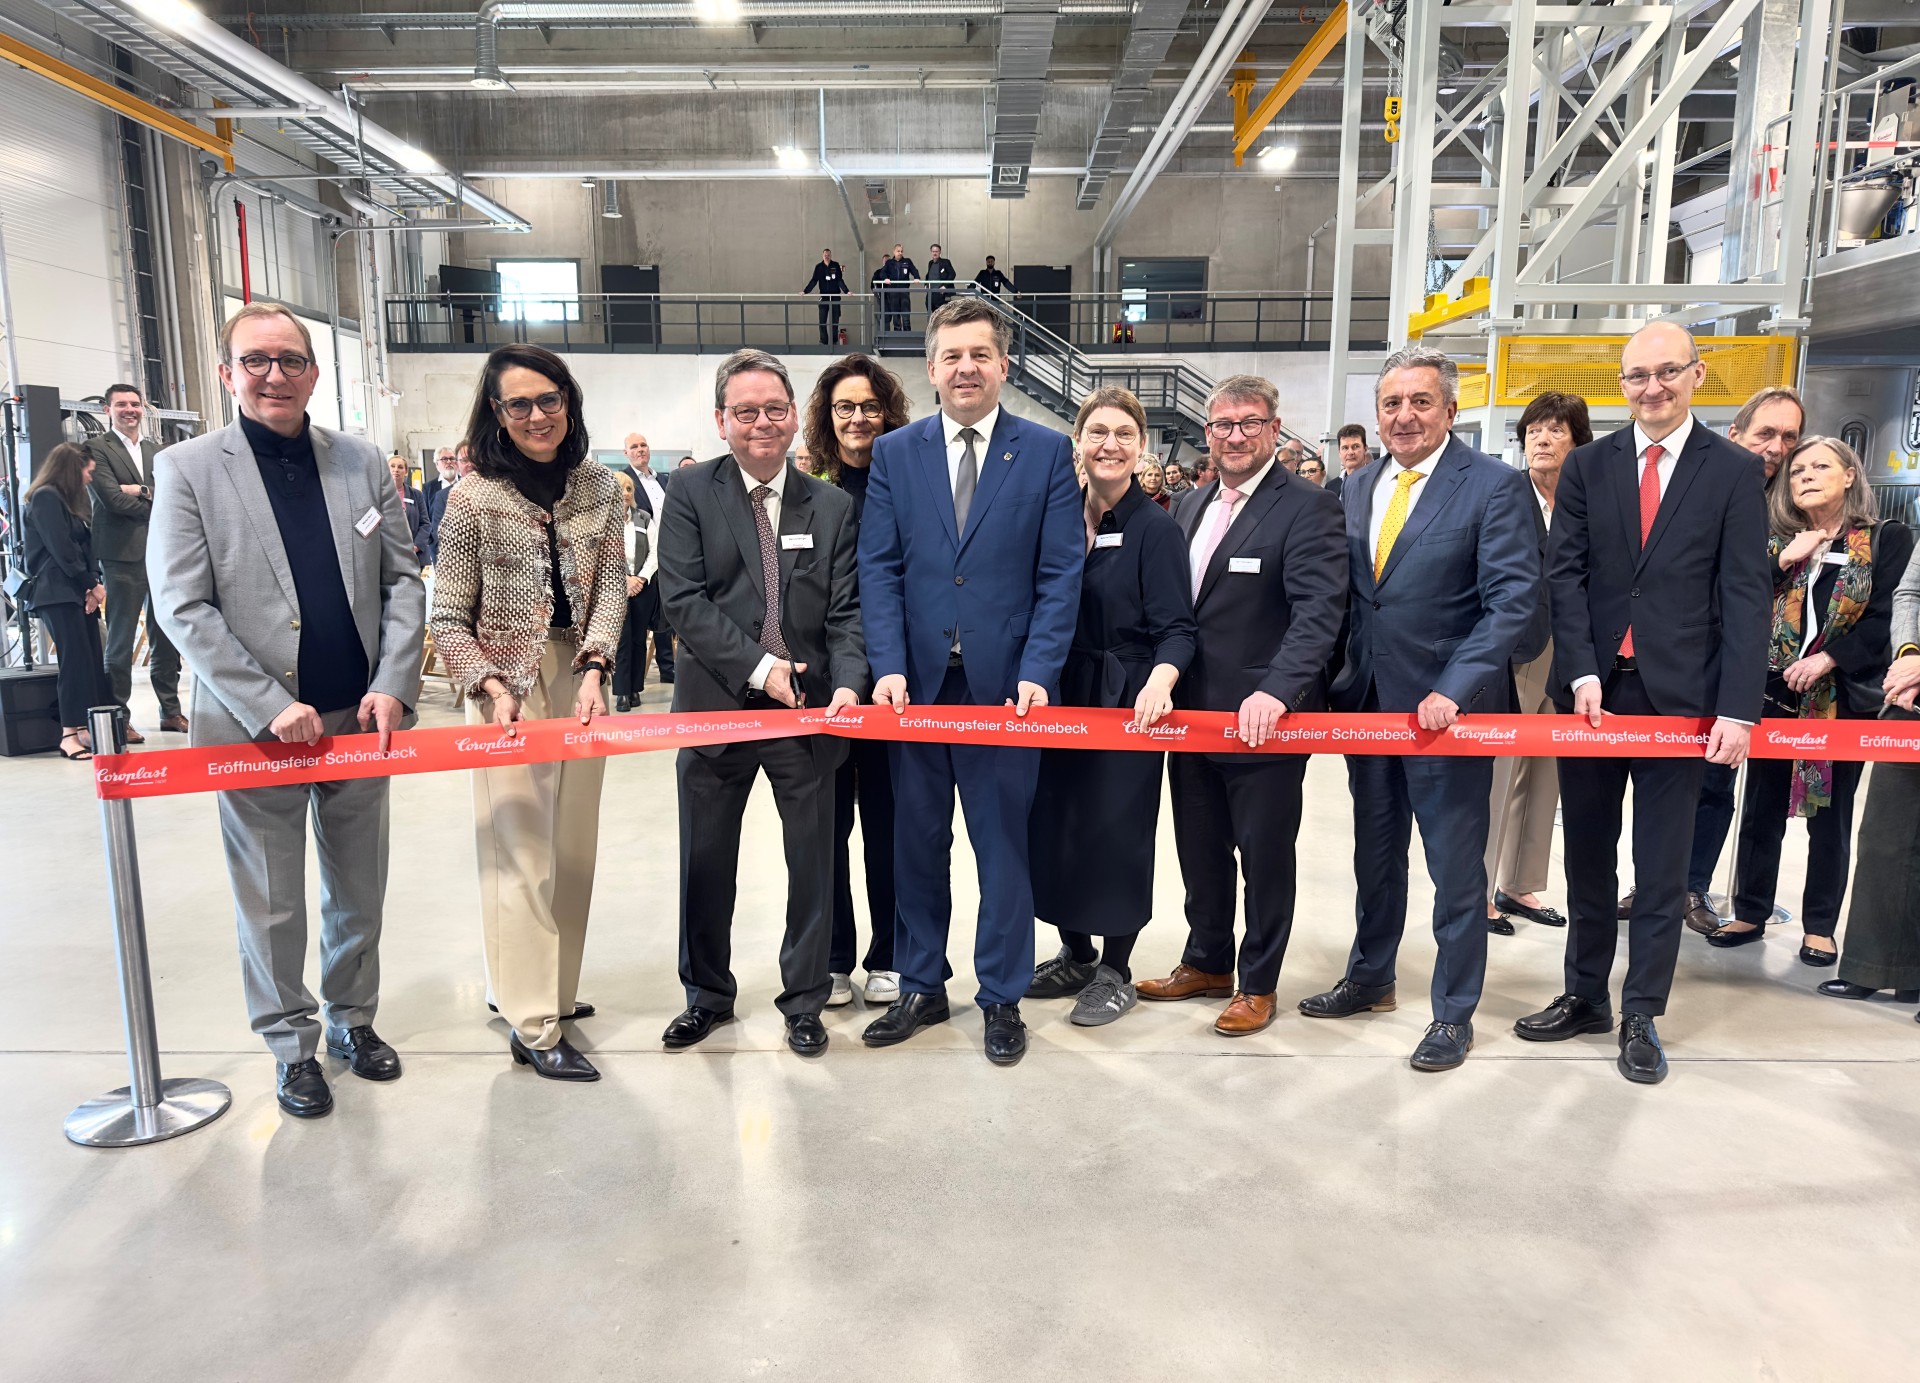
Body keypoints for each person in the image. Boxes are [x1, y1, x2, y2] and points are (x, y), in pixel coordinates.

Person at [147, 301, 424, 1119]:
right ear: (229, 372)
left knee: (358, 888)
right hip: (255, 732)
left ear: (314, 371)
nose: (276, 374)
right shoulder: (190, 468)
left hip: (359, 720)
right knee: (271, 898)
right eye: (257, 360)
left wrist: (395, 682)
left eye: (291, 359)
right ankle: (290, 1045)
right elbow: (182, 605)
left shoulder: (363, 462)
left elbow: (404, 579)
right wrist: (268, 703)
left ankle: (352, 1021)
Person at [1515, 321, 1769, 1085]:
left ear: (1697, 374)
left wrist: (1737, 708)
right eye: (1635, 376)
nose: (1651, 388)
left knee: (1659, 869)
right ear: (1620, 384)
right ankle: (1586, 993)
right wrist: (1582, 671)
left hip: (1682, 699)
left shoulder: (1730, 471)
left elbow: (1745, 593)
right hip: (1595, 694)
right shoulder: (1590, 465)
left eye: (1666, 372)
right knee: (1586, 855)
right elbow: (1568, 575)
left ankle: (1641, 1012)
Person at [858, 296, 1082, 1065]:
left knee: (1001, 849)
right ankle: (921, 982)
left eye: (980, 354)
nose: (965, 368)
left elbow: (1060, 574)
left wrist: (1039, 670)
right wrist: (886, 666)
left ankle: (1001, 995)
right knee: (916, 843)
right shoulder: (897, 453)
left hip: (1004, 694)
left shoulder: (1047, 453)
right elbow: (879, 571)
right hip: (917, 689)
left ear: (1004, 365)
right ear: (930, 368)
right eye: (951, 355)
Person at [1300, 347, 1537, 1073]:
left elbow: (1511, 603)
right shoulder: (1357, 483)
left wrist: (1454, 685)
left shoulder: (1494, 487)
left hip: (1447, 715)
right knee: (1374, 857)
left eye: (1420, 401)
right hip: (1369, 703)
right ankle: (1371, 976)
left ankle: (1453, 1011)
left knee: (1454, 871)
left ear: (1450, 410)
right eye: (1392, 403)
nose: (1404, 415)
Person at [655, 349, 866, 1058]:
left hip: (806, 716)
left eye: (775, 409)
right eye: (745, 412)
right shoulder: (690, 493)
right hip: (718, 707)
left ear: (793, 414)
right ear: (722, 421)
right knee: (705, 860)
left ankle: (805, 1000)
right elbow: (681, 600)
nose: (762, 424)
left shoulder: (830, 505)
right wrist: (760, 667)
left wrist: (848, 681)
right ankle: (707, 995)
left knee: (813, 863)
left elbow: (847, 612)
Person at [432, 342, 626, 1084]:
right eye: (520, 403)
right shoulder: (472, 498)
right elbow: (447, 614)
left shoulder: (600, 486)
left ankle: (554, 992)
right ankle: (532, 1022)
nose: (538, 414)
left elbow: (610, 586)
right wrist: (488, 683)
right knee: (520, 855)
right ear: (497, 413)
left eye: (550, 399)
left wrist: (600, 660)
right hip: (505, 691)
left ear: (567, 402)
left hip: (583, 681)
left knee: (573, 848)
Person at [1136, 375, 1346, 1034]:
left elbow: (1319, 614)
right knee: (1199, 847)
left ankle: (1258, 981)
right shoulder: (1192, 506)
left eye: (1249, 422)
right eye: (1223, 423)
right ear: (1207, 433)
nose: (1234, 434)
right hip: (1192, 716)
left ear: (1274, 430)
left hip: (1263, 724)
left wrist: (1277, 691)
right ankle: (1207, 960)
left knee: (1264, 854)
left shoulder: (1308, 506)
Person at [1028, 387, 1195, 1025]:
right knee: (1059, 827)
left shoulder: (1155, 528)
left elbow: (1179, 627)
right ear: (1079, 442)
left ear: (1141, 446)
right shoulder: (1059, 517)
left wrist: (1160, 681)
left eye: (1124, 434)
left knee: (1115, 833)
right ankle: (1074, 952)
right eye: (1098, 432)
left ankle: (1115, 968)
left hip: (1127, 701)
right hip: (1058, 694)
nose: (1110, 445)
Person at [1708, 438, 1910, 963]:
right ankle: (1750, 911)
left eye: (1821, 466)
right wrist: (1781, 563)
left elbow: (1886, 620)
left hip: (1841, 695)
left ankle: (1819, 926)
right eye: (1797, 470)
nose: (1806, 476)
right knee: (1760, 809)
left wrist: (1829, 659)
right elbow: (1739, 600)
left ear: (1849, 476)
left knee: (1831, 814)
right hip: (1772, 691)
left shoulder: (1887, 540)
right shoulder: (1774, 541)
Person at [1633, 384, 1811, 932]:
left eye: (1789, 436)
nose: (1777, 447)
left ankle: (1692, 887)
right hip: (1687, 667)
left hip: (1771, 677)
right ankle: (1655, 884)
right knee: (1668, 789)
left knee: (1722, 792)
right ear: (1735, 433)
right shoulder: (1701, 486)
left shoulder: (1798, 508)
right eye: (1766, 433)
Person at [802, 352, 913, 1007]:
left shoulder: (907, 486)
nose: (858, 417)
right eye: (845, 406)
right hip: (829, 687)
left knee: (889, 824)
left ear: (888, 413)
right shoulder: (809, 489)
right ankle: (836, 957)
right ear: (827, 415)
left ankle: (889, 956)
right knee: (828, 825)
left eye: (870, 406)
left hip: (896, 686)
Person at [1487, 392, 1591, 935]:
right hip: (1511, 648)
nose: (1542, 440)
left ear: (1577, 441)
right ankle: (1479, 890)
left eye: (1555, 430)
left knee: (1547, 770)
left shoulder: (1586, 497)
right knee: (1499, 771)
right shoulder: (1505, 493)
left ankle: (1520, 883)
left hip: (1572, 650)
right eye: (1533, 431)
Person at [1819, 551, 1920, 1009]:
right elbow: (1910, 592)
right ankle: (1875, 965)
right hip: (1909, 695)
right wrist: (1909, 655)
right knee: (1886, 835)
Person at [85, 384, 184, 739]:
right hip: (121, 556)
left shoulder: (156, 451)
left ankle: (171, 712)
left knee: (167, 635)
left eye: (135, 404)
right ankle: (119, 717)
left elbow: (174, 498)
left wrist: (139, 490)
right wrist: (148, 496)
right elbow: (113, 501)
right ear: (108, 410)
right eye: (121, 404)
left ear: (144, 409)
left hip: (161, 554)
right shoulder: (96, 449)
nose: (130, 409)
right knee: (121, 639)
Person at [23, 442, 111, 761]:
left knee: (89, 660)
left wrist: (92, 584)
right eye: (88, 471)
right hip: (56, 592)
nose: (90, 477)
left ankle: (87, 728)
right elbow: (60, 548)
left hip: (76, 590)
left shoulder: (71, 502)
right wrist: (89, 584)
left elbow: (85, 547)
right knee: (73, 662)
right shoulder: (46, 497)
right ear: (74, 469)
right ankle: (68, 734)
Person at [613, 431, 671, 707]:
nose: (625, 494)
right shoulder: (606, 522)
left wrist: (641, 578)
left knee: (639, 637)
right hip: (616, 587)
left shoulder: (644, 514)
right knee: (621, 641)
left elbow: (654, 549)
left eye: (643, 444)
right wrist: (624, 579)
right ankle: (622, 691)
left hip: (645, 582)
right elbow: (606, 555)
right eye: (633, 446)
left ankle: (636, 688)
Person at [802, 247, 849, 346]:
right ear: (822, 256)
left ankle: (834, 341)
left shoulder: (835, 265)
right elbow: (814, 281)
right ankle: (824, 341)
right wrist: (805, 291)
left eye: (828, 255)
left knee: (835, 320)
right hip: (824, 296)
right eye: (825, 255)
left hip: (835, 296)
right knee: (822, 321)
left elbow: (840, 280)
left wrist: (846, 291)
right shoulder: (819, 267)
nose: (827, 256)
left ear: (830, 256)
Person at [389, 454, 430, 562]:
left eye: (400, 467)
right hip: (388, 555)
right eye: (392, 466)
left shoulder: (416, 495)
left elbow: (425, 524)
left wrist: (416, 547)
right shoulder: (379, 495)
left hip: (413, 554)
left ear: (406, 472)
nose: (396, 470)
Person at [423, 447, 460, 564]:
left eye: (452, 459)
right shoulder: (428, 488)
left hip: (462, 546)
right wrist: (431, 541)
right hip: (438, 547)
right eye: (444, 459)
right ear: (437, 464)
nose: (449, 462)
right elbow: (425, 516)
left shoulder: (465, 484)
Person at [1324, 423, 1370, 500]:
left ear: (1365, 449)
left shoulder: (1375, 481)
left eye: (1356, 446)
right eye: (1345, 448)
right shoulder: (1330, 487)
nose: (1350, 452)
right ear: (1339, 452)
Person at [882, 243, 919, 333]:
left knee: (906, 314)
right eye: (898, 251)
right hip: (893, 292)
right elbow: (883, 272)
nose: (900, 253)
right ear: (894, 252)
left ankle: (907, 335)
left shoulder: (907, 261)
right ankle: (897, 335)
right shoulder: (889, 262)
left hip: (904, 291)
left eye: (901, 251)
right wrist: (886, 278)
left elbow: (914, 270)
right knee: (895, 315)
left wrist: (916, 277)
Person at [926, 243, 956, 314]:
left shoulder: (945, 262)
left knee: (940, 314)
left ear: (940, 252)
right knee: (930, 311)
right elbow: (928, 275)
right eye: (933, 251)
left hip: (940, 292)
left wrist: (945, 286)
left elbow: (952, 274)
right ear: (931, 252)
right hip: (930, 292)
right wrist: (925, 284)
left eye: (936, 251)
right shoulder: (930, 263)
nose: (935, 253)